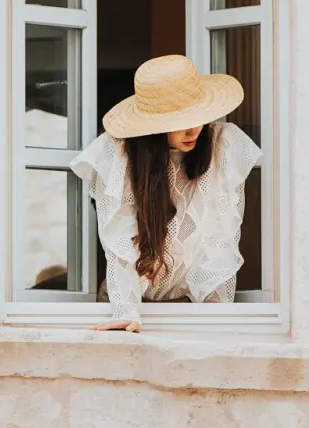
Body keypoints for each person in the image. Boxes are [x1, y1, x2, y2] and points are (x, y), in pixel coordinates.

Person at [70, 54, 262, 332]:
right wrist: (127, 310)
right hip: (130, 311)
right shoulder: (122, 154)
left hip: (191, 312)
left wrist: (217, 317)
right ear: (153, 125)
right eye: (179, 120)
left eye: (198, 116)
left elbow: (222, 237)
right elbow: (119, 240)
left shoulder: (223, 145)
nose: (193, 129)